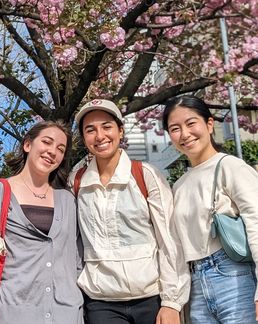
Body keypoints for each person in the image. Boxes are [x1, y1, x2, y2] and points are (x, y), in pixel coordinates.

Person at [71, 99, 189, 324]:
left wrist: (171, 302)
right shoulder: (76, 182)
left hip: (151, 299)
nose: (100, 136)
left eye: (107, 126)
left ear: (120, 130)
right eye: (90, 130)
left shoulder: (146, 175)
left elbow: (169, 241)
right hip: (100, 302)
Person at [0, 121, 84, 324]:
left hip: (65, 313)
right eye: (47, 142)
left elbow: (75, 257)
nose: (52, 152)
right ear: (27, 145)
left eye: (60, 149)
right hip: (12, 311)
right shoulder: (0, 191)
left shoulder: (67, 200)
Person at [162, 95, 258, 323]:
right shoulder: (178, 185)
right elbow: (175, 245)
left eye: (191, 123)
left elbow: (256, 224)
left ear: (209, 124)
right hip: (195, 286)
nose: (184, 134)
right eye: (175, 128)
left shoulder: (230, 166)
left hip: (234, 277)